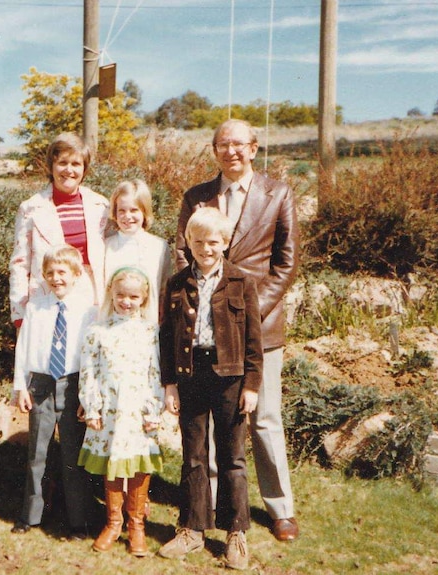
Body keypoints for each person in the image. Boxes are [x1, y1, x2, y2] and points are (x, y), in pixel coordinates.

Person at [173, 118, 301, 542]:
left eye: (239, 144)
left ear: (254, 147)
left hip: (258, 329)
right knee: (209, 423)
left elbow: (286, 263)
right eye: (222, 144)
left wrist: (247, 312)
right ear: (214, 150)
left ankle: (279, 507)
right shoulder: (196, 197)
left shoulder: (277, 193)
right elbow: (181, 254)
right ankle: (205, 505)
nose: (231, 152)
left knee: (263, 417)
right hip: (205, 333)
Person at [158, 207, 263, 570]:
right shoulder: (176, 284)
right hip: (190, 375)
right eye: (198, 241)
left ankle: (235, 533)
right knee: (193, 455)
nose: (205, 248)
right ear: (188, 242)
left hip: (230, 379)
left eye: (213, 241)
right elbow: (166, 337)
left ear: (226, 242)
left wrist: (251, 385)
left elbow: (254, 341)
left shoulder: (241, 282)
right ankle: (192, 528)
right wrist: (169, 385)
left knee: (232, 456)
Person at [11, 244, 97, 540]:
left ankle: (78, 521)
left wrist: (88, 396)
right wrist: (20, 387)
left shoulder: (88, 310)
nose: (56, 278)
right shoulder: (36, 307)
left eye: (62, 272)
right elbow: (23, 350)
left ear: (76, 274)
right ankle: (30, 516)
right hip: (42, 384)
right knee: (38, 452)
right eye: (50, 273)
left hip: (73, 385)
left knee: (73, 454)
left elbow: (90, 356)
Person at [78, 267, 163, 556]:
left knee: (138, 466)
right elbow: (88, 372)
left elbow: (155, 372)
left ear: (144, 298)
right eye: (121, 295)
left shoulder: (151, 332)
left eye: (133, 297)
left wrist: (154, 409)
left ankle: (136, 525)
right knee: (112, 465)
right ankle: (113, 522)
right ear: (111, 294)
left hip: (138, 412)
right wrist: (92, 407)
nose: (126, 301)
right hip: (109, 412)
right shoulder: (97, 332)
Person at [10, 132, 109, 329]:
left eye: (76, 164)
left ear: (84, 168)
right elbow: (20, 264)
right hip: (47, 299)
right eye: (62, 162)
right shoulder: (31, 208)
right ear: (52, 165)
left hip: (92, 300)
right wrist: (19, 313)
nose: (69, 170)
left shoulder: (100, 205)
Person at [104, 180, 173, 324]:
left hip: (146, 325)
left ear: (144, 211)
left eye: (134, 210)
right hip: (110, 324)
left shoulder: (159, 247)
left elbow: (163, 289)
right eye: (121, 211)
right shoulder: (106, 246)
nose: (127, 216)